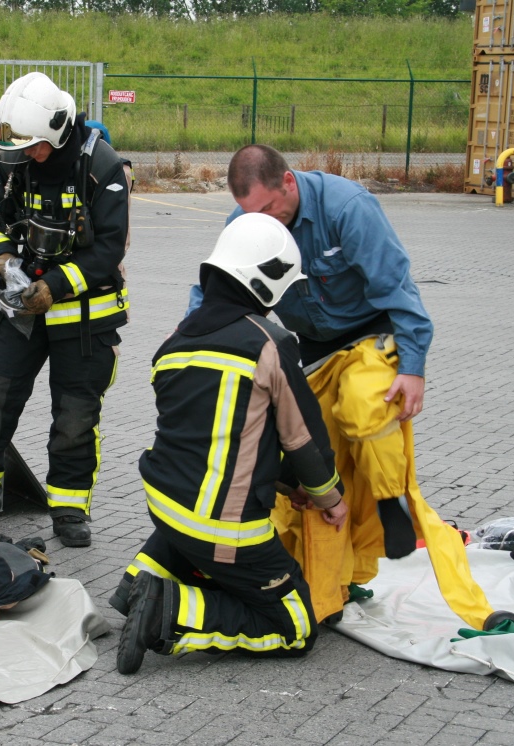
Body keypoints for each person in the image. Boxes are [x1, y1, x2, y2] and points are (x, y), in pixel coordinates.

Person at [207, 144, 496, 629]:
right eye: (252, 214)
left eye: (271, 210)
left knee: (364, 403)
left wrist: (414, 367)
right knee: (313, 466)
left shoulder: (348, 208)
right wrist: (194, 336)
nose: (266, 225)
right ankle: (329, 587)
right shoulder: (249, 220)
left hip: (369, 332)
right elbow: (221, 288)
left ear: (289, 183)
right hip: (312, 347)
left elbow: (396, 284)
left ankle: (390, 501)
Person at [113, 213, 346, 675]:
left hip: (165, 503)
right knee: (296, 627)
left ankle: (137, 583)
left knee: (190, 527)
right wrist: (327, 496)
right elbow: (303, 438)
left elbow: (227, 438)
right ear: (268, 281)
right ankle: (170, 613)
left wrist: (284, 486)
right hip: (224, 527)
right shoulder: (270, 345)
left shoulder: (173, 343)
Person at [0, 72, 131, 548]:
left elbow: (107, 249)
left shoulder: (103, 168)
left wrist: (58, 287)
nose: (27, 155)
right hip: (22, 310)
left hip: (85, 317)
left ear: (59, 130)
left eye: (35, 147)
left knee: (75, 418)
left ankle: (68, 508)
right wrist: (1, 256)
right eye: (20, 148)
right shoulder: (16, 161)